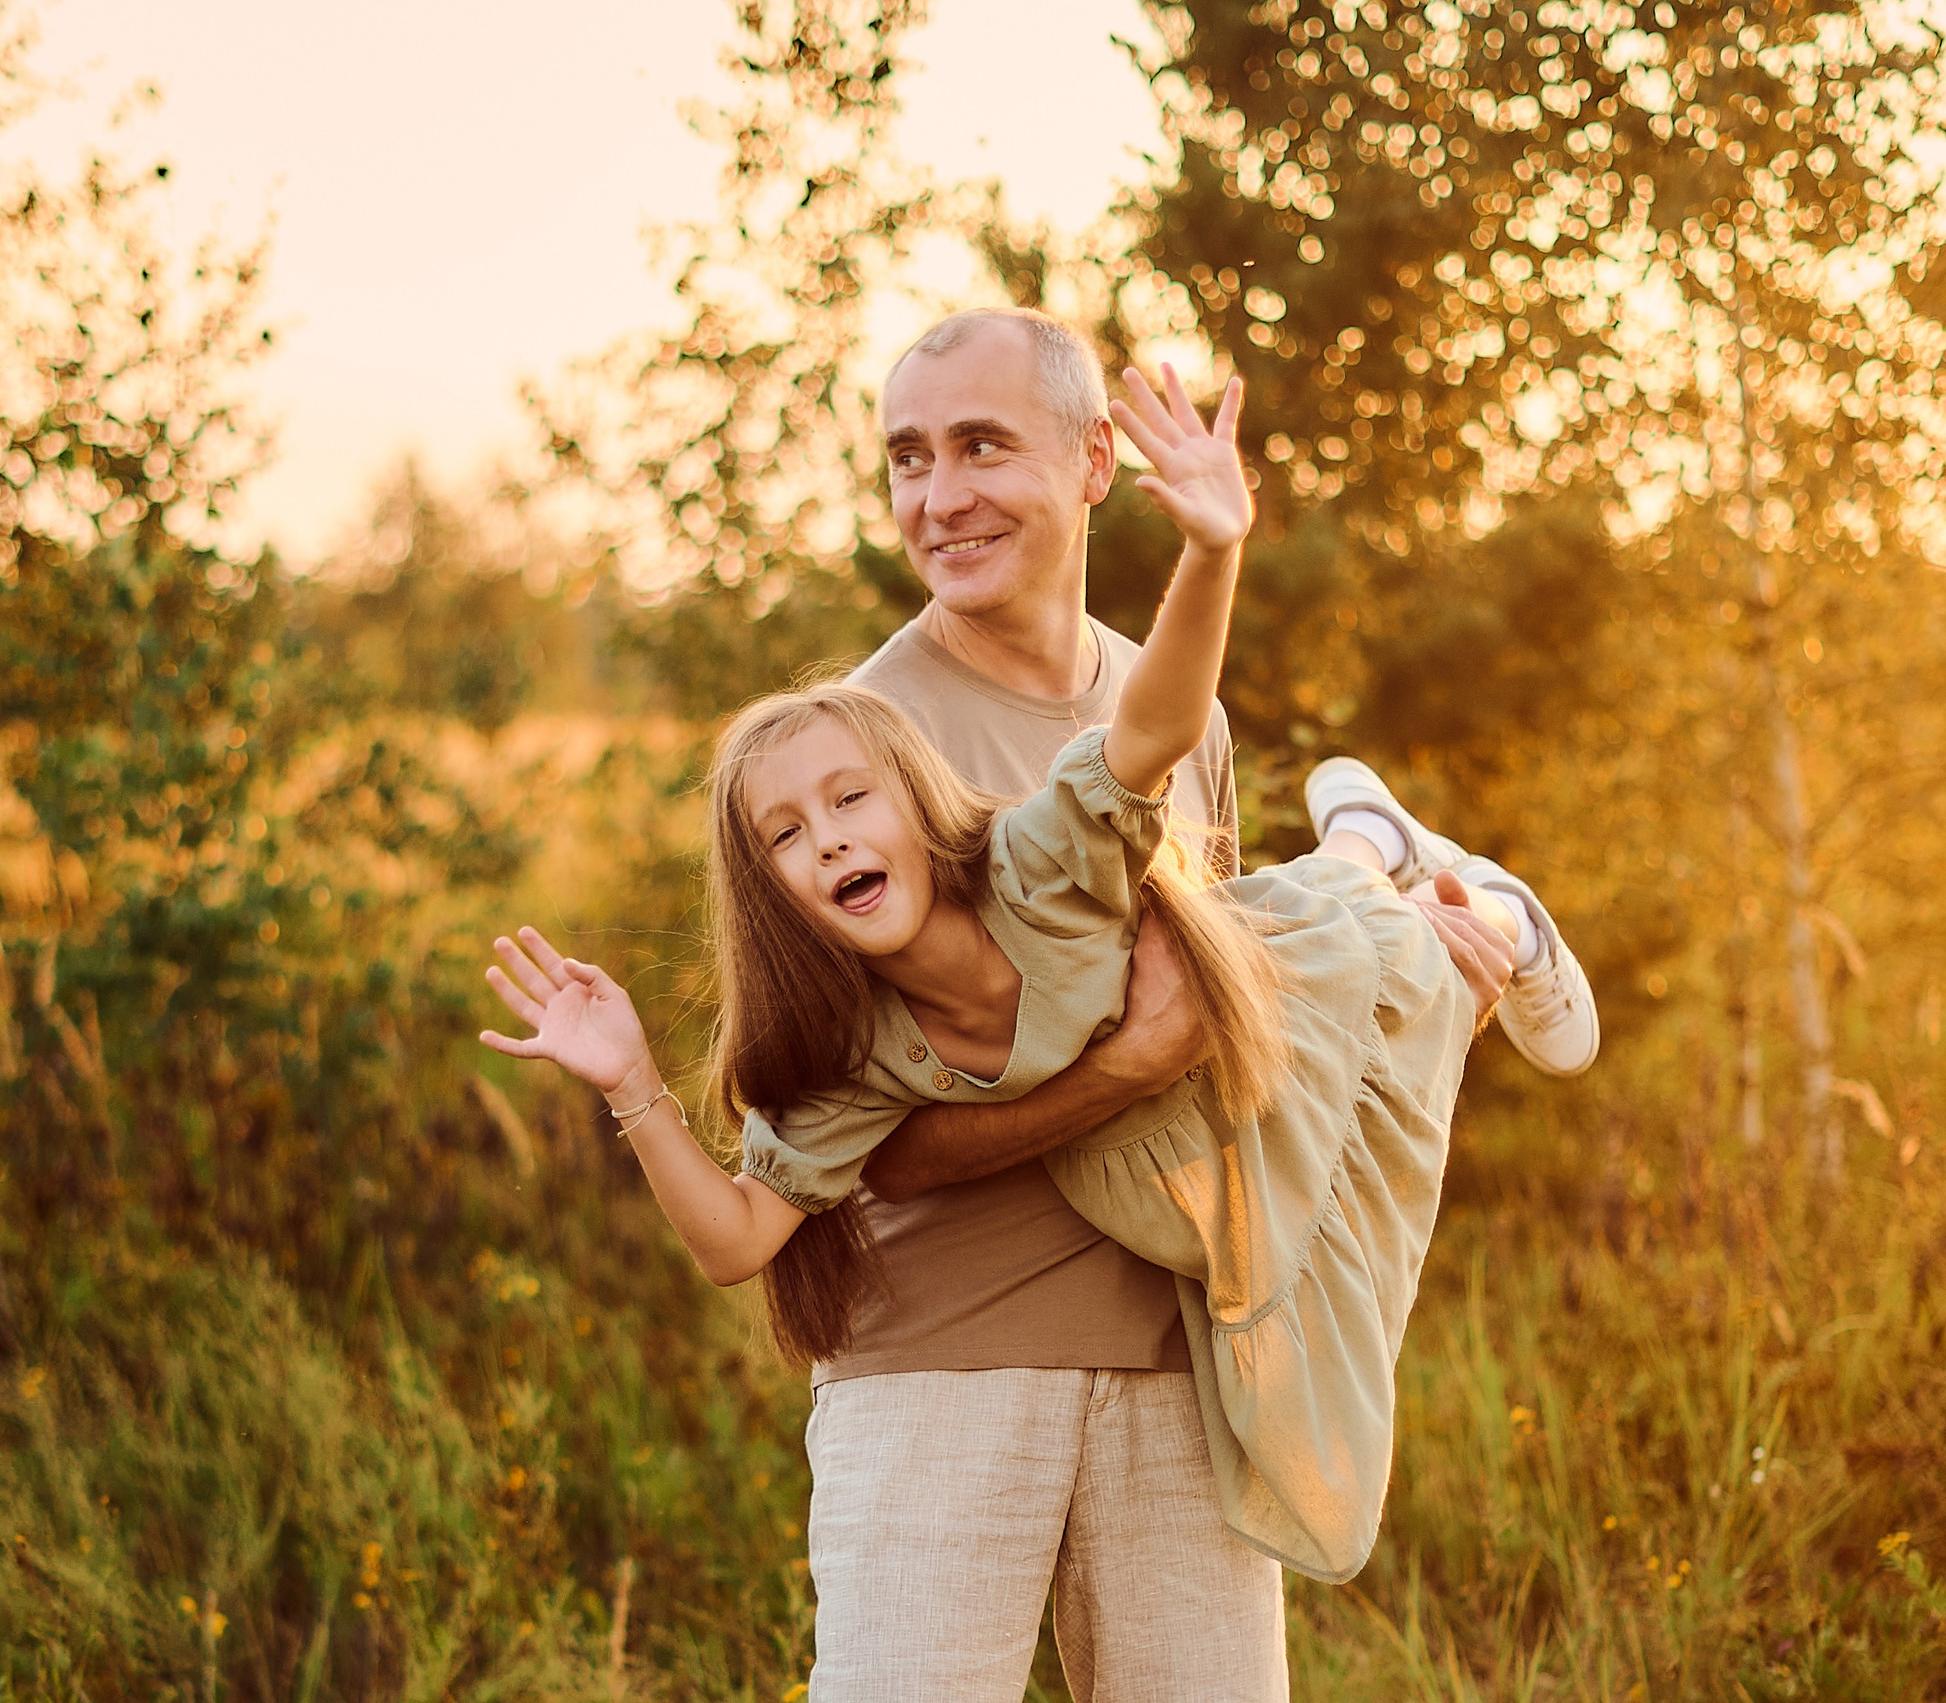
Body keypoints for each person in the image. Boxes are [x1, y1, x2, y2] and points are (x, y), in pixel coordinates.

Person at [481, 310, 1587, 1700]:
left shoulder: (1162, 697)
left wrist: (1399, 972)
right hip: (945, 1374)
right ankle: (1387, 866)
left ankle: (1413, 885)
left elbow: (1226, 989)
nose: (939, 496)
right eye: (906, 459)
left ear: (1092, 462)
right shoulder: (863, 755)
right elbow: (870, 1142)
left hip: (1181, 1358)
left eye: (981, 446)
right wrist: (1123, 1071)